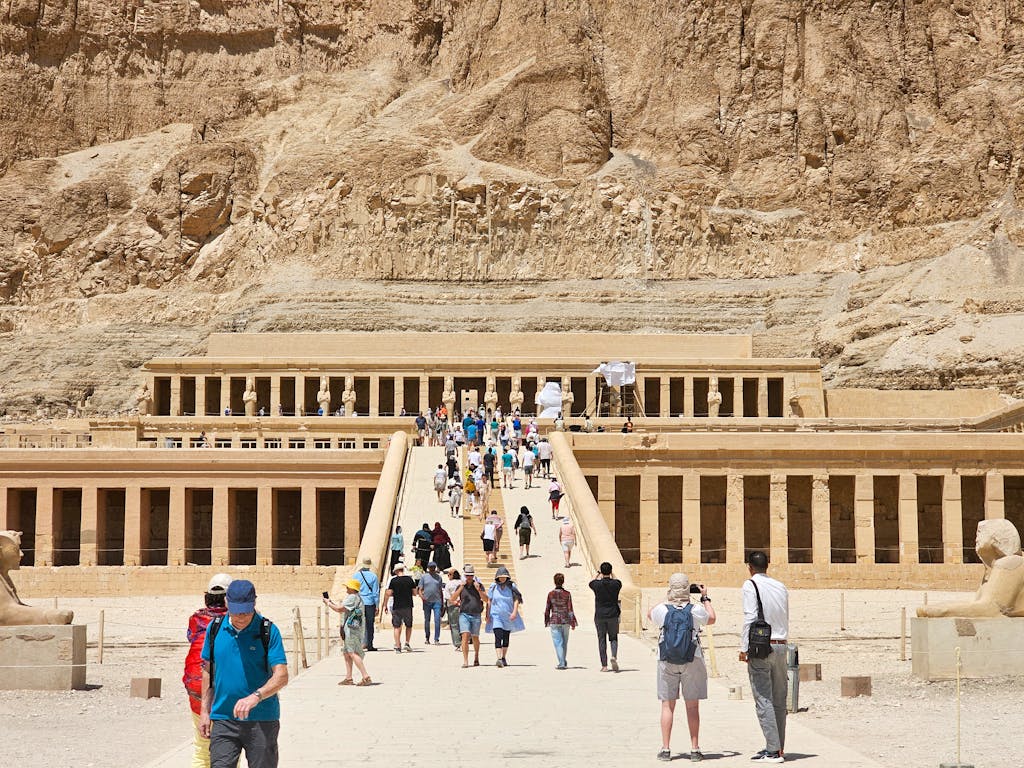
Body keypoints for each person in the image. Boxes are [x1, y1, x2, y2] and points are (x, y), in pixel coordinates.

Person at [199, 580, 288, 768]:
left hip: (262, 719)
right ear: (226, 603)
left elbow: (281, 676)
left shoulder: (268, 631)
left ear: (254, 604)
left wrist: (256, 696)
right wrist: (204, 711)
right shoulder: (214, 629)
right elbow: (207, 670)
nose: (241, 616)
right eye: (236, 610)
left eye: (246, 611)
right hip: (223, 717)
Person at [649, 573, 716, 762]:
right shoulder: (695, 609)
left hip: (666, 659)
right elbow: (711, 618)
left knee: (667, 705)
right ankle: (695, 749)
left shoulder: (663, 609)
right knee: (692, 706)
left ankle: (665, 749)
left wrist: (668, 598)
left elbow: (649, 614)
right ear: (688, 588)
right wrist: (705, 597)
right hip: (692, 658)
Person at [740, 551, 790, 763]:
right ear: (767, 566)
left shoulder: (750, 585)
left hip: (761, 647)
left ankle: (772, 750)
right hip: (781, 645)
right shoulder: (780, 586)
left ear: (750, 567)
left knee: (763, 698)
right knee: (779, 700)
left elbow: (750, 616)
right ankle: (778, 747)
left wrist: (744, 647)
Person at [184, 573, 232, 768]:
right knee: (229, 748)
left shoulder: (196, 618)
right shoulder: (235, 621)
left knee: (202, 749)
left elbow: (191, 638)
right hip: (222, 688)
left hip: (195, 686)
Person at [323, 579, 371, 686]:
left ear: (352, 588)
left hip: (352, 630)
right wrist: (330, 602)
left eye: (348, 587)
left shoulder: (352, 597)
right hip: (350, 628)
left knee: (352, 652)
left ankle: (365, 676)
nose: (346, 588)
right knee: (347, 653)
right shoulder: (355, 598)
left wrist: (328, 604)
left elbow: (339, 609)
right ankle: (349, 677)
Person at [485, 566, 524, 667]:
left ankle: (503, 657)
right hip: (496, 615)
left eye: (504, 576)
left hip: (508, 615)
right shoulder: (493, 586)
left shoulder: (512, 586)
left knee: (506, 637)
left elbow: (516, 599)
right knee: (498, 636)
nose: (502, 578)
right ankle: (498, 658)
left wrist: (515, 612)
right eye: (500, 577)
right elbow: (489, 600)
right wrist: (487, 614)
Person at [452, 564, 489, 667]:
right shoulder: (460, 586)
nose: (469, 577)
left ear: (473, 576)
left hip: (476, 614)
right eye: (467, 575)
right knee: (465, 635)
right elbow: (452, 599)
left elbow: (487, 599)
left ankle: (476, 656)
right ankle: (465, 660)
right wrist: (461, 588)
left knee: (475, 637)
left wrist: (479, 590)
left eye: (471, 575)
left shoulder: (479, 585)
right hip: (464, 614)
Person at [589, 561, 622, 672]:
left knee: (601, 639)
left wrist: (598, 573)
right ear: (610, 571)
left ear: (602, 572)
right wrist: (612, 573)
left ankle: (604, 665)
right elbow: (617, 580)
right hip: (613, 614)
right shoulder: (616, 584)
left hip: (600, 615)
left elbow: (592, 581)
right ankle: (614, 656)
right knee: (613, 637)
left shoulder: (597, 585)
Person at [543, 572, 577, 670]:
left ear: (554, 582)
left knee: (558, 642)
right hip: (565, 620)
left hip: (554, 620)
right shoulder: (567, 594)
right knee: (564, 642)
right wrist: (573, 621)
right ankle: (563, 660)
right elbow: (570, 609)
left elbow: (547, 608)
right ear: (563, 582)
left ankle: (561, 662)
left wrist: (546, 620)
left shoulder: (550, 594)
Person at [384, 563, 417, 652]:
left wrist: (385, 604)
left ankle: (398, 646)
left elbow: (389, 593)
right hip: (408, 605)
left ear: (396, 571)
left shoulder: (393, 581)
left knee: (397, 626)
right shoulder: (409, 579)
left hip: (397, 605)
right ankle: (407, 643)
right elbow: (415, 593)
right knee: (408, 625)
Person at [353, 558, 380, 652]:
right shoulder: (373, 576)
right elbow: (375, 593)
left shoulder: (356, 575)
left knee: (358, 623)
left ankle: (358, 644)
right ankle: (369, 644)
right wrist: (377, 605)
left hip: (358, 602)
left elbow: (353, 590)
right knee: (369, 624)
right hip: (369, 603)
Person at [418, 561, 445, 645]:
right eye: (431, 567)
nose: (432, 568)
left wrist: (442, 601)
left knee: (437, 620)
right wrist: (422, 597)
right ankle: (427, 637)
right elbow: (420, 589)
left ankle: (436, 638)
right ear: (428, 568)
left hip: (437, 601)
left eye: (433, 567)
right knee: (427, 620)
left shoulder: (439, 578)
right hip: (427, 601)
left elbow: (440, 590)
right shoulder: (424, 577)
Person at [443, 568, 463, 648]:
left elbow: (447, 597)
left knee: (454, 625)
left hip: (453, 606)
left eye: (449, 574)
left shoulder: (449, 584)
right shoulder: (462, 583)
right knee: (463, 624)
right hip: (463, 605)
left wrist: (455, 602)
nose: (448, 576)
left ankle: (458, 643)